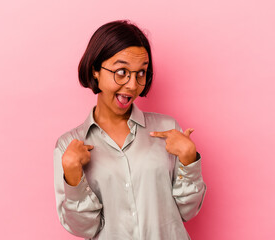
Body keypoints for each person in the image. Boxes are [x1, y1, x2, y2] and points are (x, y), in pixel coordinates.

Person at [53, 20, 207, 240]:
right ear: (95, 70)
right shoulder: (68, 146)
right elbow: (83, 228)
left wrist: (189, 160)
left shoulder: (168, 130)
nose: (133, 85)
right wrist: (72, 175)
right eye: (122, 71)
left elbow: (188, 211)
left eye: (141, 73)